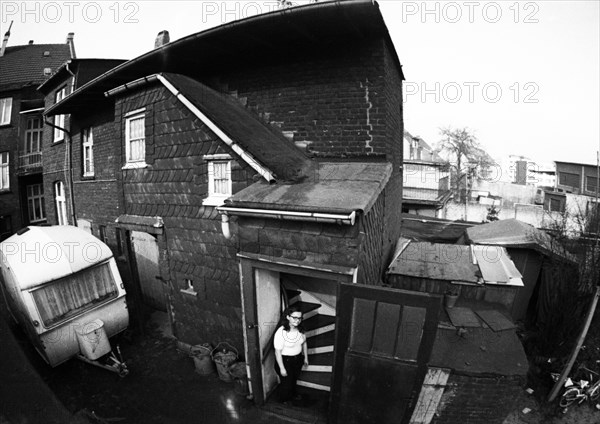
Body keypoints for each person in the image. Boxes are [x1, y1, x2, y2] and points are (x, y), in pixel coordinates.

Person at [273, 305, 309, 404]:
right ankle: (283, 400)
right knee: (286, 384)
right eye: (294, 317)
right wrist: (282, 368)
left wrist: (306, 357)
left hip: (297, 359)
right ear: (288, 317)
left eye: (300, 318)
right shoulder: (281, 332)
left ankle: (292, 395)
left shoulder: (301, 329)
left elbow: (304, 343)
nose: (297, 320)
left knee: (293, 380)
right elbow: (277, 352)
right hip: (285, 361)